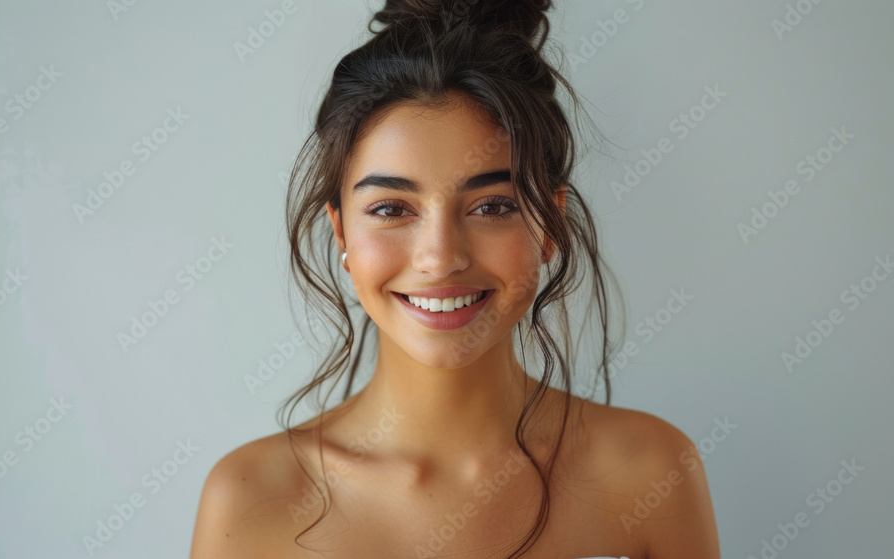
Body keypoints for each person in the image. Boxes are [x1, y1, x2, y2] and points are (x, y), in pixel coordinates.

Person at [190, 1, 720, 557]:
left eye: (492, 207)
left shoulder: (648, 472)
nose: (440, 259)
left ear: (549, 225)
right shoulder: (249, 498)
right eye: (392, 209)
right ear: (341, 231)